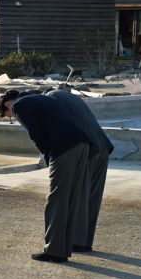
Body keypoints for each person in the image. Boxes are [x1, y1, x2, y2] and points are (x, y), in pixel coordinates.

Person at [0, 90, 90, 263]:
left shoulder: (19, 105)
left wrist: (48, 157)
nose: (13, 118)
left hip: (64, 147)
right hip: (82, 144)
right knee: (70, 197)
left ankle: (55, 251)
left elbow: (36, 134)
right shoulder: (39, 98)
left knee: (57, 199)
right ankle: (65, 246)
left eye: (9, 116)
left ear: (8, 105)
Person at [47, 88, 114, 252]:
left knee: (80, 197)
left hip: (87, 149)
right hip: (103, 147)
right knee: (93, 198)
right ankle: (84, 242)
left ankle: (77, 242)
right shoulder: (71, 98)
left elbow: (58, 129)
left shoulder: (51, 99)